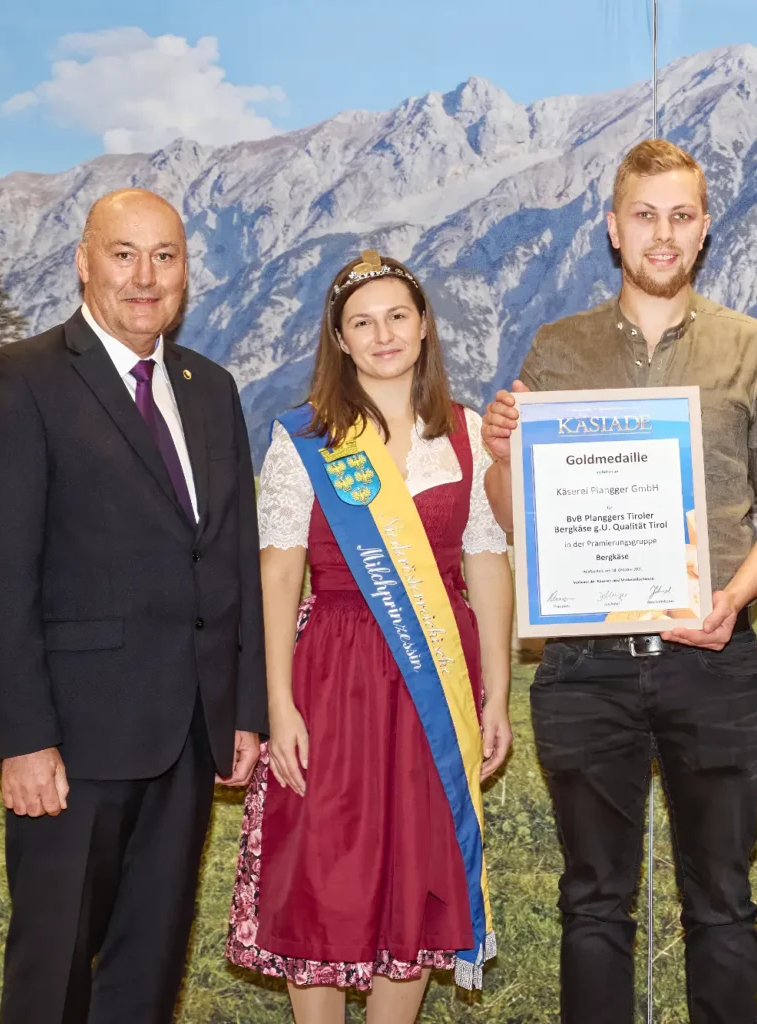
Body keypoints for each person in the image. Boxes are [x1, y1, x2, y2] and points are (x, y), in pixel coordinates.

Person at [481, 139, 757, 1024]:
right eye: (644, 216)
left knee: (723, 903)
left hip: (711, 659)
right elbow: (522, 523)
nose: (662, 235)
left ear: (704, 229)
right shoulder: (558, 349)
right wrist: (502, 455)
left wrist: (734, 598)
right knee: (593, 904)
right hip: (583, 670)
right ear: (613, 228)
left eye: (680, 216)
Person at [0, 188, 267, 1022]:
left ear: (187, 271)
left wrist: (244, 709)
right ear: (84, 263)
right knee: (53, 970)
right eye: (124, 254)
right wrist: (24, 739)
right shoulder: (17, 381)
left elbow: (232, 555)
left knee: (148, 971)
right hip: (72, 744)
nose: (145, 277)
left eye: (165, 256)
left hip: (189, 738)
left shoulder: (211, 388)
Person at [224, 250, 513, 1024]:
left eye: (396, 317)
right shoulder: (305, 438)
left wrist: (496, 697)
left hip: (435, 679)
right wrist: (276, 705)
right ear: (340, 340)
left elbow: (486, 565)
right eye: (362, 323)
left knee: (415, 870)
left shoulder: (466, 433)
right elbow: (278, 575)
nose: (383, 335)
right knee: (322, 868)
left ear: (424, 326)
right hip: (332, 675)